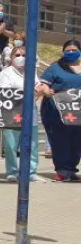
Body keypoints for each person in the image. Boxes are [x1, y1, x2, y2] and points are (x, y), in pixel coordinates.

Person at [0, 43, 43, 182]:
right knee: (11, 145)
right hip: (12, 113)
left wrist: (39, 88)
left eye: (23, 55)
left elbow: (38, 85)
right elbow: (3, 92)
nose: (20, 57)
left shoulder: (31, 71)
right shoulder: (5, 73)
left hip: (30, 112)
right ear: (11, 58)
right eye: (17, 55)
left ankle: (31, 172)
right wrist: (27, 92)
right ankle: (12, 172)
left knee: (32, 145)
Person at [40, 39, 81, 182]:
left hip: (78, 113)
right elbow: (44, 84)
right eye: (68, 50)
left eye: (74, 50)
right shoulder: (55, 68)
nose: (71, 52)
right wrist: (46, 90)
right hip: (57, 113)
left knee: (77, 142)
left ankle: (71, 169)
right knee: (60, 141)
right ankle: (62, 170)